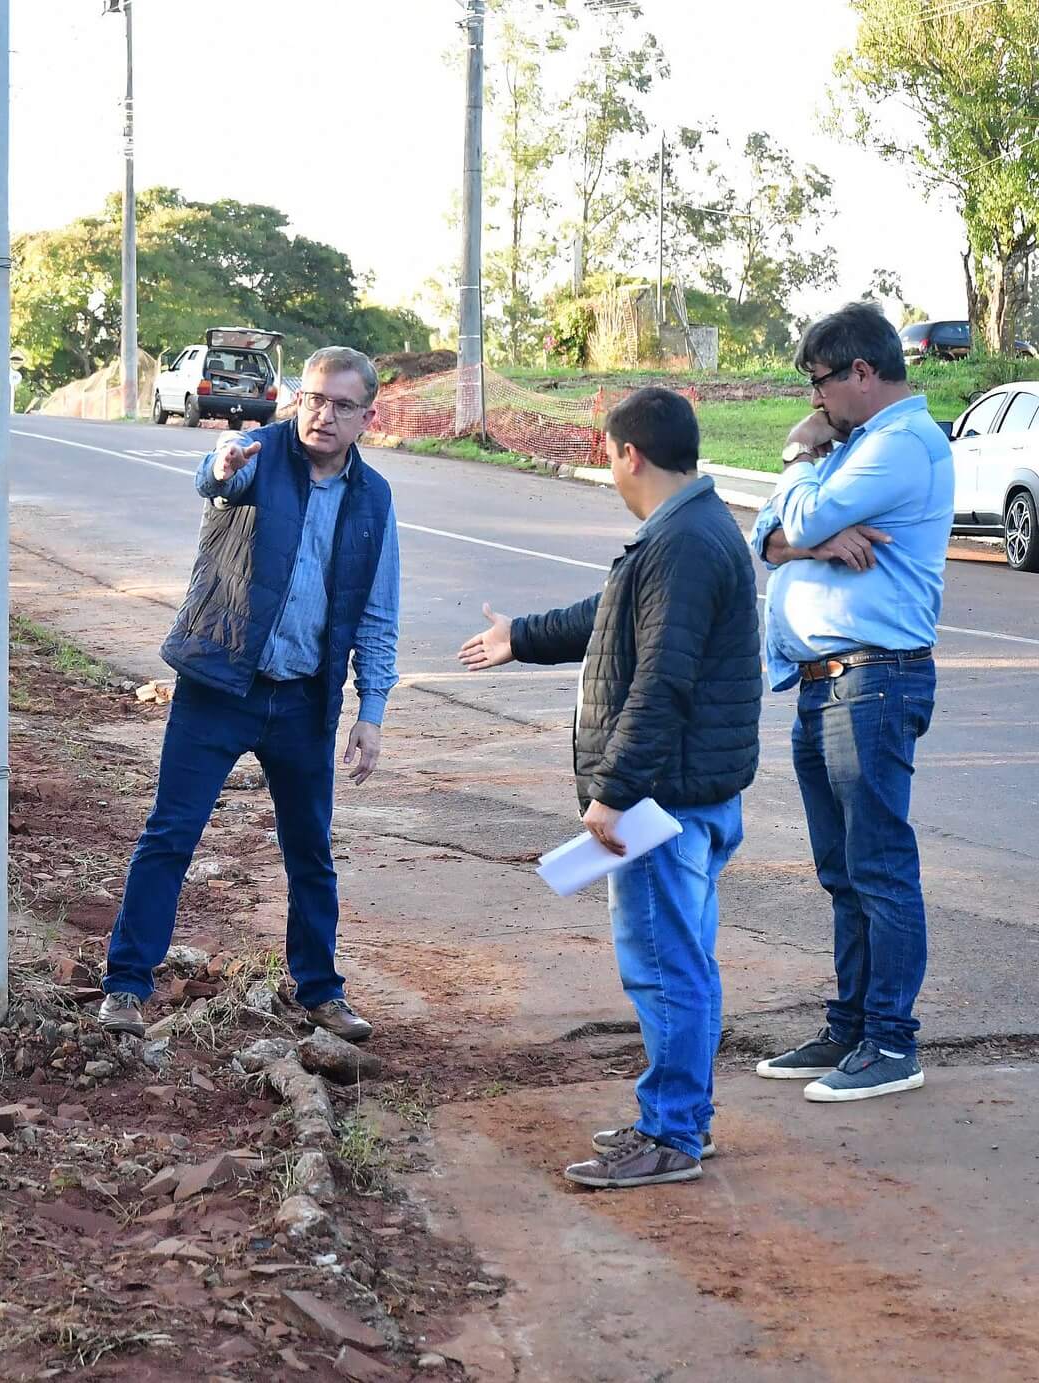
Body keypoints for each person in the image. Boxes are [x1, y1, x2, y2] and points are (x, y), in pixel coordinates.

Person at [458, 387, 761, 1189]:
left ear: (628, 453)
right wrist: (519, 637)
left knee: (666, 966)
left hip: (664, 802)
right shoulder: (683, 531)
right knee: (681, 959)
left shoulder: (687, 541)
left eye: (608, 451)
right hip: (686, 794)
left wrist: (616, 791)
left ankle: (670, 1134)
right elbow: (613, 615)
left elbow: (662, 682)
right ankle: (682, 1117)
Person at [96, 346, 400, 1045]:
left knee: (310, 851)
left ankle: (321, 992)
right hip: (218, 685)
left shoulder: (373, 498)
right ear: (298, 398)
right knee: (170, 835)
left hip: (302, 701)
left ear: (367, 416)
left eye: (341, 405)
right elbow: (215, 478)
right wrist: (220, 466)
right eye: (313, 398)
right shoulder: (256, 454)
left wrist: (370, 712)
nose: (323, 414)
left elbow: (377, 616)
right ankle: (125, 986)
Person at [747, 302, 953, 1103]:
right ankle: (852, 1024)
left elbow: (789, 512)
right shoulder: (857, 446)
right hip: (826, 683)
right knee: (842, 869)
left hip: (873, 679)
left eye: (820, 383)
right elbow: (766, 536)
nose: (813, 404)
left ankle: (892, 1042)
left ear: (862, 373)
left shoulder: (900, 444)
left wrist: (799, 466)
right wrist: (809, 532)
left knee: (878, 863)